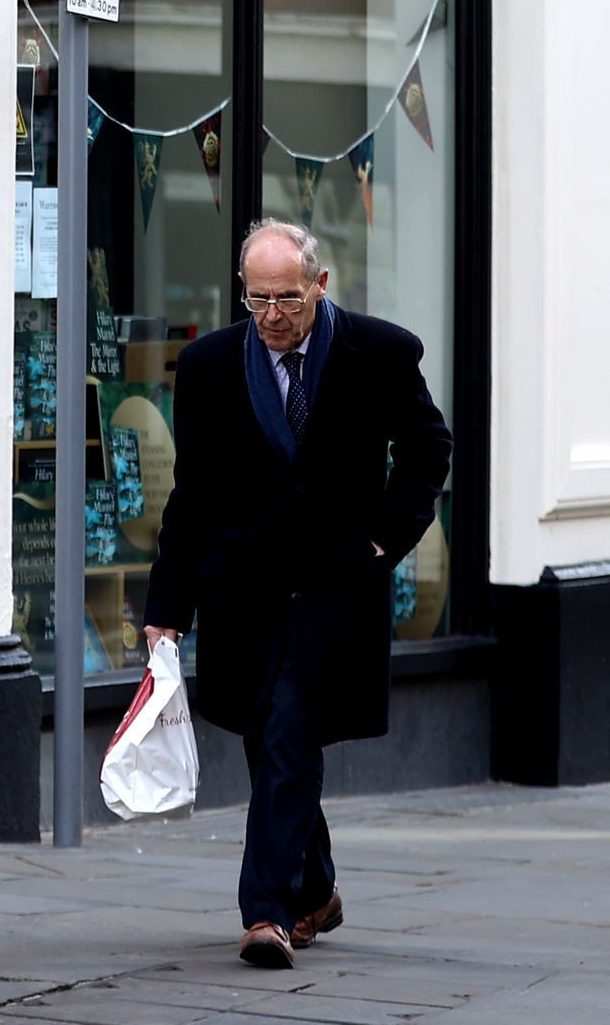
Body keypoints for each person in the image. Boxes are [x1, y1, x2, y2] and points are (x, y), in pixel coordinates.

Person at [141, 218, 450, 969]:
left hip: (334, 591)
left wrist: (384, 538)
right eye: (257, 300)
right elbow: (193, 495)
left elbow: (428, 446)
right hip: (243, 594)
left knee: (286, 729)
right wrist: (164, 614)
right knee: (271, 738)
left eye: (287, 298)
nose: (273, 315)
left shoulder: (378, 351)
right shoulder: (211, 364)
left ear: (320, 284)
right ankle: (316, 888)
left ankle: (267, 912)